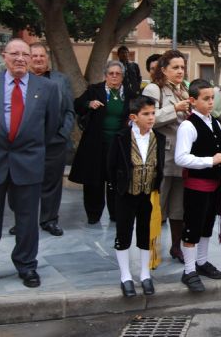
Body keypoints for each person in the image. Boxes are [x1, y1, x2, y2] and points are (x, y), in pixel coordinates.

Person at [0, 39, 59, 290]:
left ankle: (27, 266)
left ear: (31, 59)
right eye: (14, 54)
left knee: (28, 220)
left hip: (28, 161)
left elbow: (50, 127)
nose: (20, 58)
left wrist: (27, 143)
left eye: (25, 54)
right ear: (4, 57)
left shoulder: (47, 88)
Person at [174, 79, 221, 292]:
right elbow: (181, 158)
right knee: (192, 228)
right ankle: (189, 270)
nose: (210, 103)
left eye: (211, 99)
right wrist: (211, 160)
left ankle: (202, 261)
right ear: (192, 100)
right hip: (196, 185)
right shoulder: (188, 125)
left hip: (213, 184)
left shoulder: (214, 122)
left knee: (206, 225)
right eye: (205, 99)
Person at [107, 96, 165, 297]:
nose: (151, 118)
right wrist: (118, 188)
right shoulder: (121, 138)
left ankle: (144, 273)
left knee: (144, 232)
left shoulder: (158, 138)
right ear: (134, 117)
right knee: (123, 233)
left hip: (147, 193)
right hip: (126, 194)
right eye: (146, 114)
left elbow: (159, 165)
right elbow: (111, 167)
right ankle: (125, 275)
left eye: (153, 113)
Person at [69, 60, 135, 224]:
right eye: (110, 73)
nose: (114, 76)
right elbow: (77, 105)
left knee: (116, 179)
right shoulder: (94, 90)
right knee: (94, 180)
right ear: (105, 75)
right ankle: (93, 214)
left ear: (122, 76)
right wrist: (88, 103)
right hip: (95, 143)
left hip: (119, 144)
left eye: (117, 74)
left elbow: (137, 112)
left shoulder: (130, 93)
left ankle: (115, 213)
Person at [142, 50, 191, 262]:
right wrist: (175, 108)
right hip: (163, 156)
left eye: (182, 67)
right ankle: (150, 246)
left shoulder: (186, 89)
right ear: (164, 69)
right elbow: (149, 117)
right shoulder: (154, 89)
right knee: (157, 204)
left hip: (184, 156)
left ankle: (176, 246)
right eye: (175, 67)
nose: (180, 71)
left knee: (179, 207)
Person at [23, 43, 75, 236]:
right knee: (24, 183)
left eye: (41, 56)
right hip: (26, 143)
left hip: (55, 141)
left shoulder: (60, 80)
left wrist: (63, 134)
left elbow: (69, 110)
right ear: (29, 59)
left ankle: (49, 220)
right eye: (34, 56)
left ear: (47, 59)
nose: (38, 59)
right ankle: (23, 220)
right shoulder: (22, 81)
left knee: (52, 183)